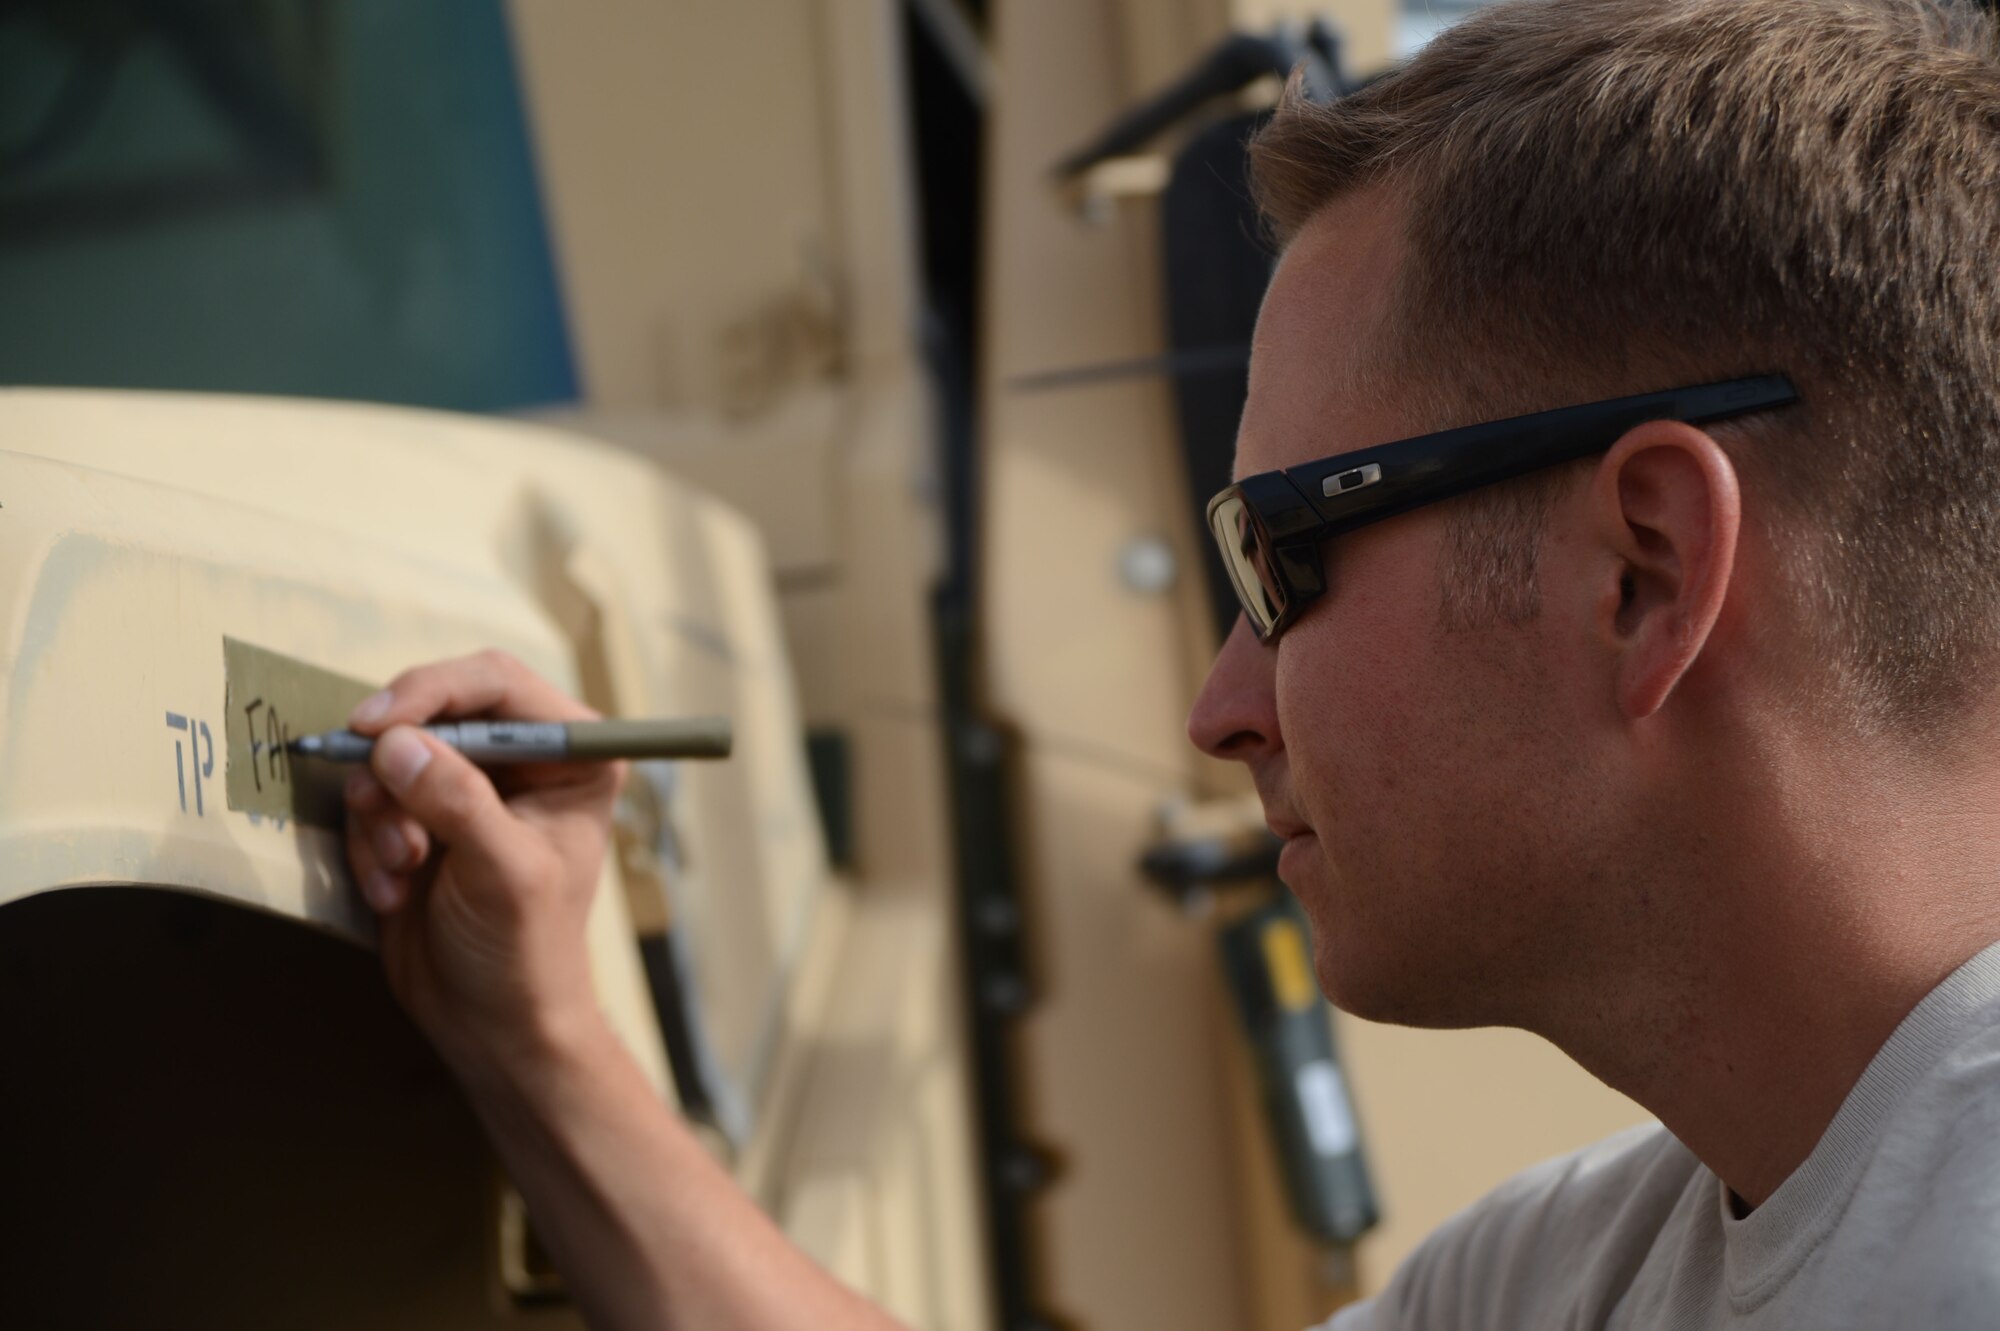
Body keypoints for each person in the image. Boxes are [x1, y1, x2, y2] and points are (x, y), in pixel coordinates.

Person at [340, 0, 2000, 1326]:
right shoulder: (1596, 1266)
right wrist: (542, 1033)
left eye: (1281, 560)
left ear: (1642, 573)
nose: (1219, 711)